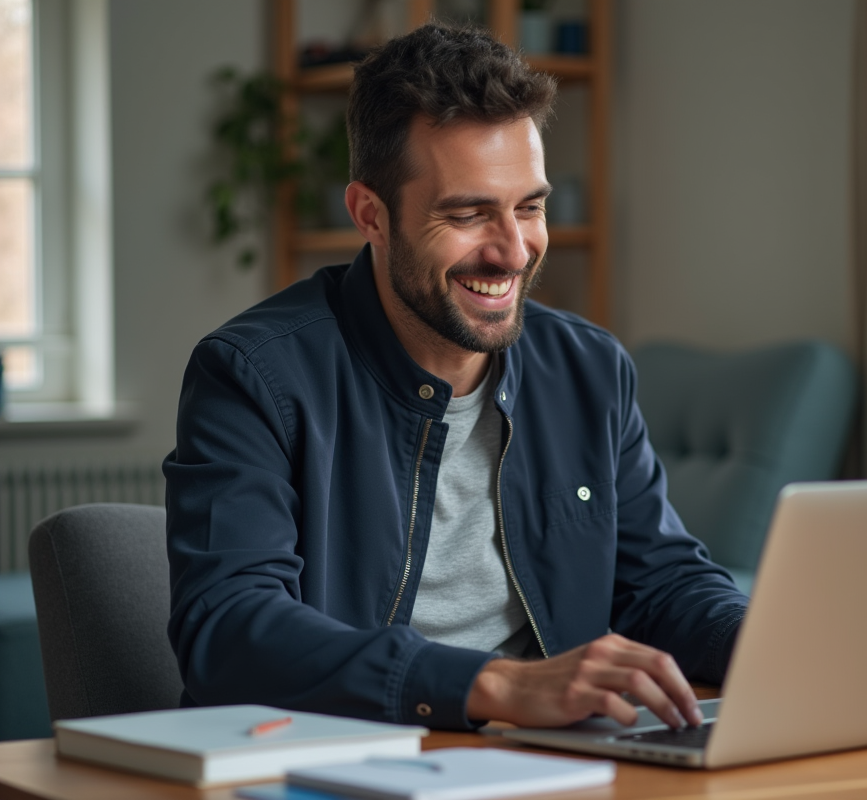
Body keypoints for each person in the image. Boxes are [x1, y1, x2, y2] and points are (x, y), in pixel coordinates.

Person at [164, 23, 748, 733]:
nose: (511, 251)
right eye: (468, 215)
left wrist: (767, 645)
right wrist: (497, 686)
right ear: (370, 215)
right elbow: (228, 632)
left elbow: (662, 585)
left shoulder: (589, 369)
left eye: (529, 207)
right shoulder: (254, 375)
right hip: (334, 760)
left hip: (548, 763)